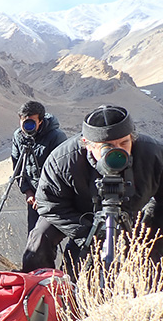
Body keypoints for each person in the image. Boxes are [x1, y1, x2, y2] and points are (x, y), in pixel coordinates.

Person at [21, 104, 163, 274]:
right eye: (107, 146)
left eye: (124, 143)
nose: (118, 152)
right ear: (87, 144)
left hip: (134, 212)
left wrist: (147, 220)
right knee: (38, 240)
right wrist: (87, 233)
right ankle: (45, 290)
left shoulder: (153, 154)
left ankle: (153, 287)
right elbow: (49, 204)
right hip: (78, 214)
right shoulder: (63, 161)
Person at [11, 101, 67, 235]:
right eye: (24, 121)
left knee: (48, 235)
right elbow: (18, 167)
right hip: (33, 195)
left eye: (31, 122)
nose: (26, 126)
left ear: (40, 121)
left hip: (52, 196)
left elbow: (60, 172)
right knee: (33, 233)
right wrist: (27, 191)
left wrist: (43, 195)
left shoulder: (56, 137)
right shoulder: (18, 136)